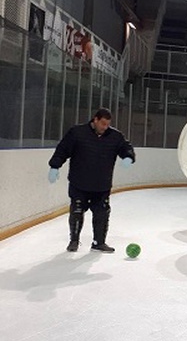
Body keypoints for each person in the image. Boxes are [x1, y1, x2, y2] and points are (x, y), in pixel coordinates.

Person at [48, 108, 135, 253]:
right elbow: (63, 149)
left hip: (102, 185)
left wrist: (128, 157)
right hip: (79, 183)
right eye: (102, 124)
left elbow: (126, 147)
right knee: (76, 211)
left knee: (102, 214)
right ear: (95, 120)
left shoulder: (115, 136)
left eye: (107, 124)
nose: (104, 127)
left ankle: (98, 242)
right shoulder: (77, 133)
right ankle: (74, 241)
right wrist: (55, 166)